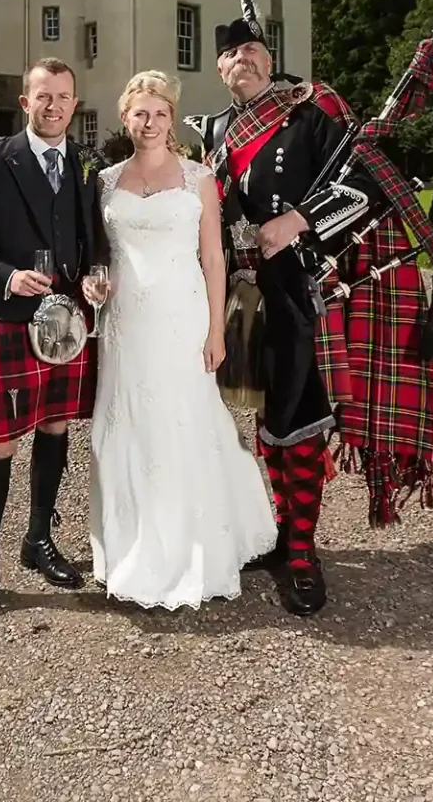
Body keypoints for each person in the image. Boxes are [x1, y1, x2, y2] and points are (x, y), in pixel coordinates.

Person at [186, 0, 367, 617]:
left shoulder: (310, 116)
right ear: (220, 69)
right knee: (260, 414)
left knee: (295, 414)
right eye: (235, 54)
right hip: (235, 294)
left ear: (271, 60)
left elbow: (364, 185)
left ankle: (301, 552)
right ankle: (278, 534)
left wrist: (299, 220)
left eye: (255, 51)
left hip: (295, 290)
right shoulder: (210, 131)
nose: (246, 60)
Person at [81, 71, 278, 610]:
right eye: (140, 113)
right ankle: (128, 544)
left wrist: (217, 330)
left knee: (184, 422)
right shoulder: (103, 181)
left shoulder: (199, 179)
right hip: (124, 326)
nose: (150, 122)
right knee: (126, 425)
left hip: (181, 319)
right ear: (126, 117)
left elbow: (215, 259)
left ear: (172, 118)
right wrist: (93, 281)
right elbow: (96, 252)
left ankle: (197, 544)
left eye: (160, 113)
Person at [0, 58, 100, 630]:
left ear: (74, 105)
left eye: (63, 97)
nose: (53, 105)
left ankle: (39, 539)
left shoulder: (84, 164)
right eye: (43, 96)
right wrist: (5, 275)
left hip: (67, 322)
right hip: (12, 320)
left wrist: (93, 272)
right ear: (25, 102)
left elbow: (91, 238)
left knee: (56, 428)